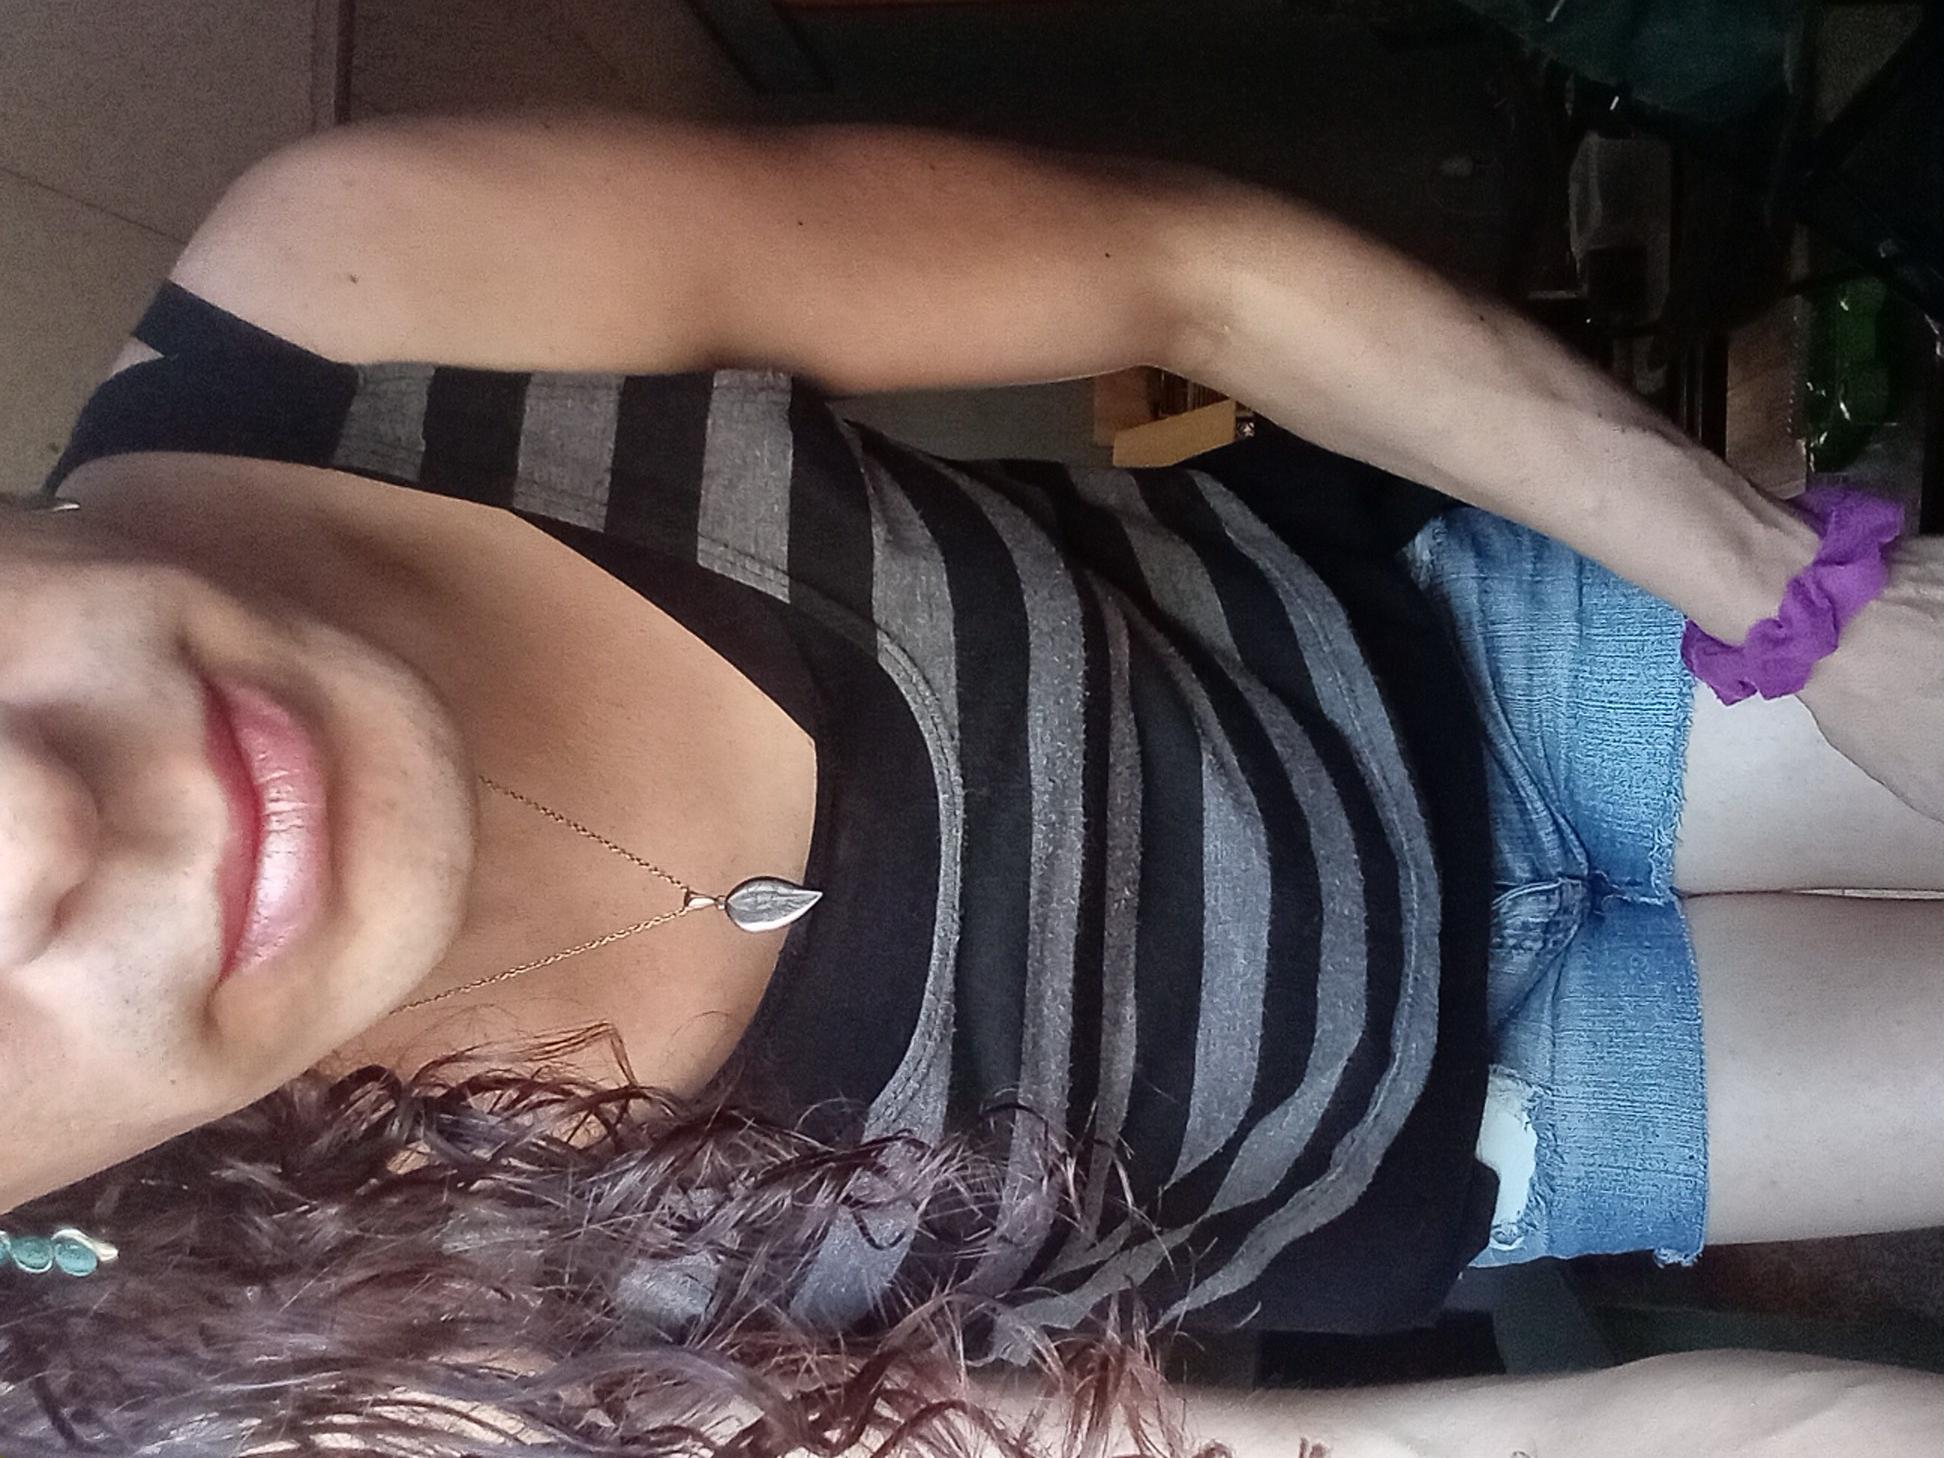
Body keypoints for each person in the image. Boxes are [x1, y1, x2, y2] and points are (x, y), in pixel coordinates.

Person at [3, 110, 1943, 1455]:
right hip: (1492, 1131)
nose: (35, 823)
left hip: (1498, 672)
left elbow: (1190, 277)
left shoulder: (344, 303)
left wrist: (1793, 597)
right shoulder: (331, 1374)